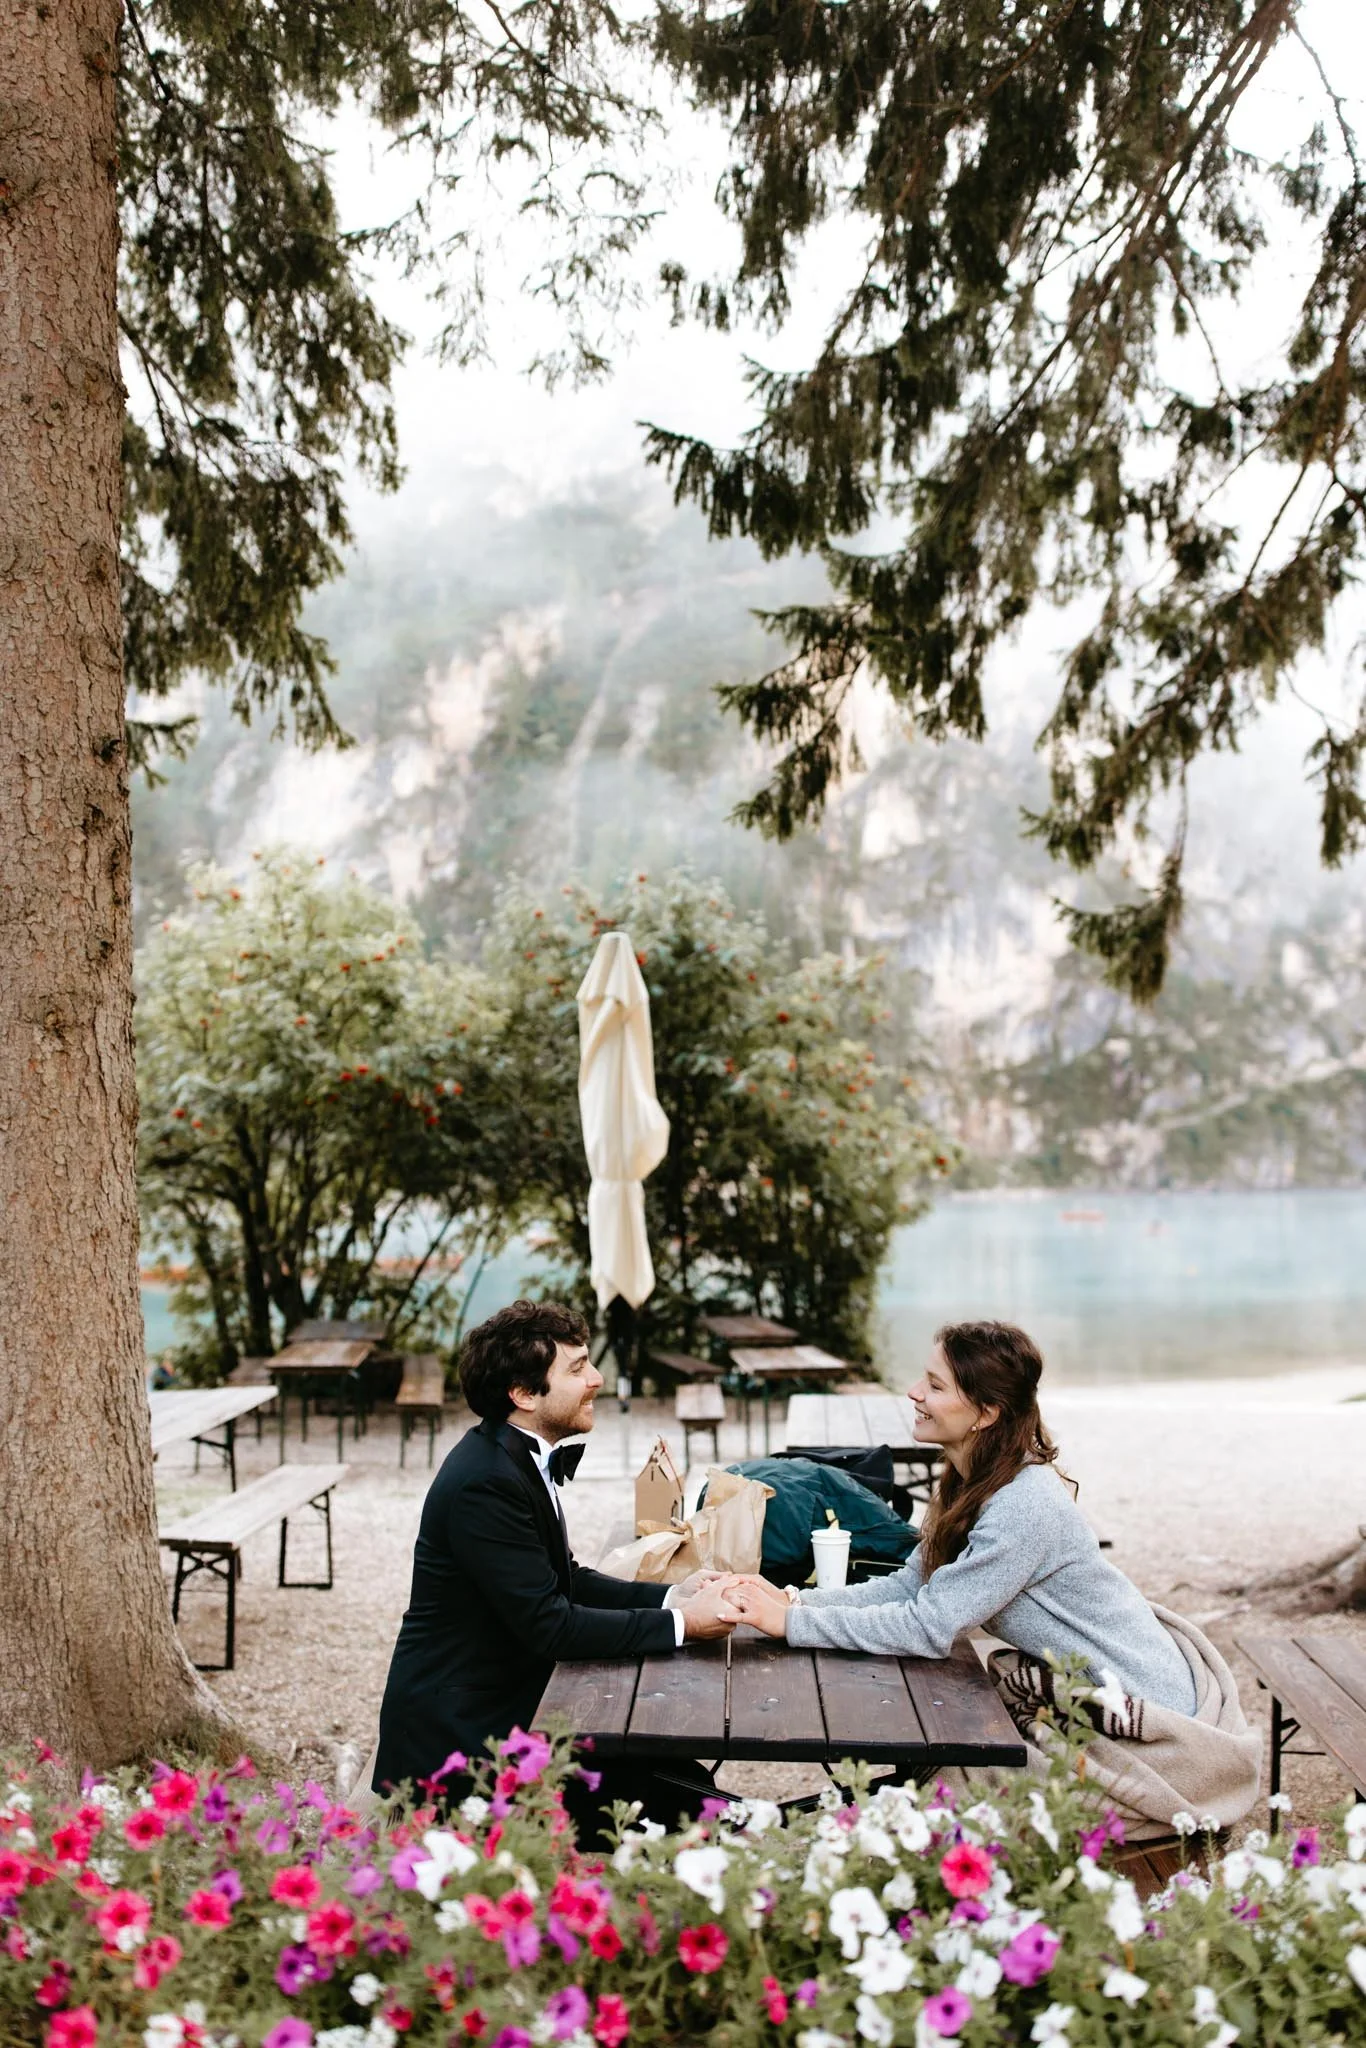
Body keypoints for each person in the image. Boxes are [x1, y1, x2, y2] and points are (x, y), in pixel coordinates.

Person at [722, 1320, 1260, 1835]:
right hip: (1101, 1687)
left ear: (985, 1412)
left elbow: (928, 1626)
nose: (913, 1392)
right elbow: (913, 1586)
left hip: (1146, 1717)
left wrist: (790, 1623)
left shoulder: (1021, 1504)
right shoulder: (972, 1479)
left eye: (934, 1385)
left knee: (954, 1780)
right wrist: (796, 1601)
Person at [372, 1298, 735, 1835]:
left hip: (507, 1706)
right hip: (463, 1740)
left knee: (680, 1779)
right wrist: (685, 1626)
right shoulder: (485, 1482)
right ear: (522, 1395)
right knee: (678, 1799)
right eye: (577, 1367)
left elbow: (567, 1578)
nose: (596, 1378)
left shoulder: (510, 1455)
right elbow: (551, 1625)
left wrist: (673, 1596)